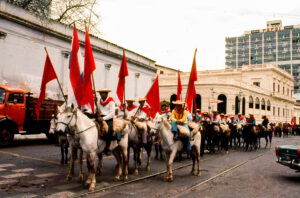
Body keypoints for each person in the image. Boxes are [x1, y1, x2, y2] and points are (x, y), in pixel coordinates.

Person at [97, 88, 117, 154]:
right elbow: (98, 110)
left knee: (109, 130)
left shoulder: (111, 101)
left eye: (102, 93)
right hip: (101, 118)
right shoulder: (99, 101)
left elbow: (112, 114)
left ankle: (107, 147)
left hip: (108, 118)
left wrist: (103, 118)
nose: (101, 94)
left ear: (106, 94)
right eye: (100, 93)